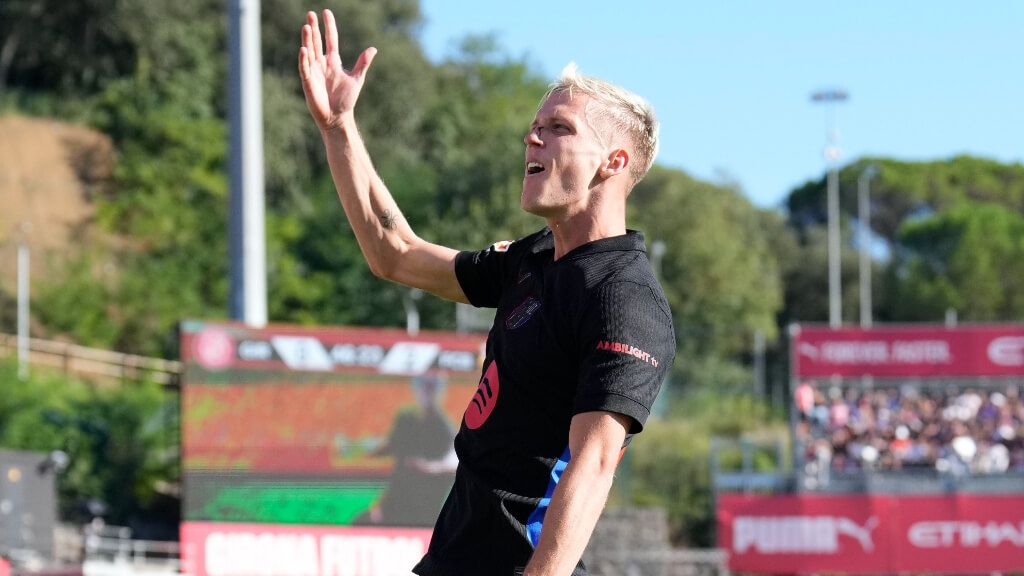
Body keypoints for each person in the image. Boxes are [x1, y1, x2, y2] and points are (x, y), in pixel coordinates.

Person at [298, 9, 675, 575]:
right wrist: (338, 129)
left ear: (612, 163)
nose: (532, 135)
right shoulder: (534, 259)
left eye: (559, 128)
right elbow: (393, 253)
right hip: (450, 559)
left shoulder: (624, 298)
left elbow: (593, 465)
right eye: (535, 124)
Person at [356, 372, 458, 526]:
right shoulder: (406, 420)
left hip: (426, 508)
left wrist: (428, 468)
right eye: (424, 387)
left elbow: (455, 463)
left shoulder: (445, 428)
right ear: (417, 389)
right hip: (396, 505)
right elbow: (389, 448)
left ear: (439, 391)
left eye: (432, 387)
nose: (427, 392)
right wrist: (359, 449)